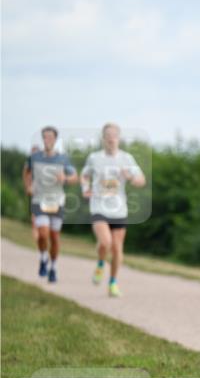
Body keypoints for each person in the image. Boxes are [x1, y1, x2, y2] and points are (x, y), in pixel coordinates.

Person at [80, 123, 146, 298]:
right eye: (108, 135)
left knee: (117, 249)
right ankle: (101, 263)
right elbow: (85, 175)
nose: (111, 138)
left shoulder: (126, 159)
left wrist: (130, 176)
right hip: (98, 207)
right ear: (103, 139)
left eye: (114, 135)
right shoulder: (94, 158)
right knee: (106, 242)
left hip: (119, 209)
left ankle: (113, 283)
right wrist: (85, 189)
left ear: (119, 138)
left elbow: (141, 180)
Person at [23, 127, 78, 283]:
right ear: (42, 139)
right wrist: (28, 186)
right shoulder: (34, 157)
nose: (47, 140)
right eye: (45, 137)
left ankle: (53, 267)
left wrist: (66, 179)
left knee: (54, 237)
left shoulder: (63, 159)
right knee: (42, 234)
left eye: (50, 137)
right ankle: (42, 257)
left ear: (55, 140)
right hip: (39, 200)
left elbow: (75, 177)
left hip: (57, 201)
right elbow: (26, 172)